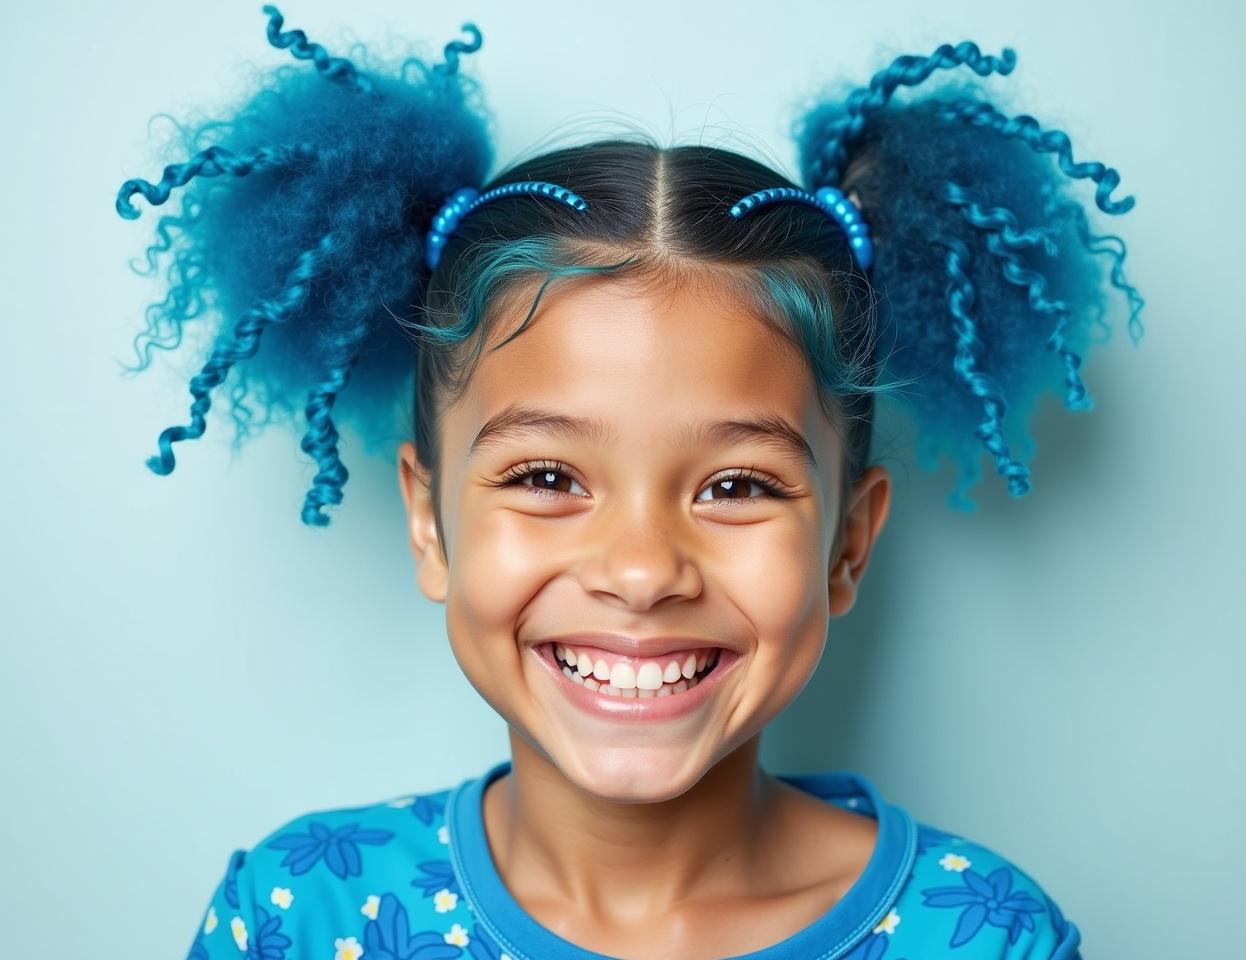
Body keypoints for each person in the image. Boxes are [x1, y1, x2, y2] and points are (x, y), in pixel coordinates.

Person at [115, 7, 1144, 959]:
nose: (643, 571)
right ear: (428, 521)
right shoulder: (299, 915)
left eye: (736, 486)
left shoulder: (981, 938)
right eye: (548, 474)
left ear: (847, 544)